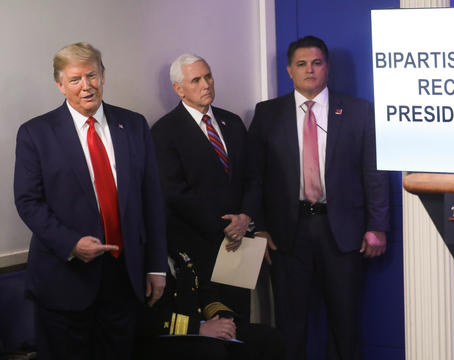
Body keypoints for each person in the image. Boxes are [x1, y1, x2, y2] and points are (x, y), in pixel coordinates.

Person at [13, 42, 167, 360]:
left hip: (124, 277)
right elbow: (28, 201)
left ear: (103, 76)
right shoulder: (36, 133)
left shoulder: (134, 125)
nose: (86, 86)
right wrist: (71, 243)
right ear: (60, 85)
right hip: (64, 279)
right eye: (75, 79)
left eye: (92, 75)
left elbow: (152, 199)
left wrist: (156, 267)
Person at [244, 35, 390, 360]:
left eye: (316, 62)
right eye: (301, 64)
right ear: (289, 70)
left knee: (345, 323)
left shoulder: (357, 111)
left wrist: (377, 225)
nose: (309, 70)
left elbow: (374, 173)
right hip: (287, 235)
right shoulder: (268, 114)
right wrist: (260, 227)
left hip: (343, 233)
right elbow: (254, 176)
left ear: (327, 67)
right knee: (290, 325)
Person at [151, 53, 252, 319]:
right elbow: (174, 193)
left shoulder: (233, 122)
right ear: (178, 88)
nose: (206, 84)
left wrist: (245, 217)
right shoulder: (164, 132)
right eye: (196, 80)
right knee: (212, 330)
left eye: (208, 76)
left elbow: (252, 176)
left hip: (241, 244)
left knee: (242, 323)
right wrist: (225, 226)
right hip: (198, 248)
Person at [135, 250, 284, 360]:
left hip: (200, 328)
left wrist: (223, 319)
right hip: (166, 336)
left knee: (269, 337)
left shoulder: (180, 253)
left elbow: (205, 293)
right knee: (212, 351)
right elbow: (145, 319)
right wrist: (198, 328)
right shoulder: (139, 261)